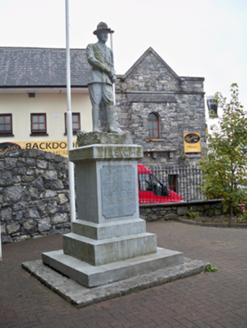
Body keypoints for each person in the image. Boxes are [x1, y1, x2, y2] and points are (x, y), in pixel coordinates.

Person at [86, 22, 120, 133]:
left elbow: (112, 65)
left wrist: (113, 75)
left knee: (109, 102)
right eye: (103, 33)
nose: (106, 35)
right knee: (96, 102)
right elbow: (92, 59)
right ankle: (95, 127)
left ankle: (110, 127)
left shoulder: (110, 51)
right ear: (98, 34)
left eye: (107, 33)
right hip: (95, 78)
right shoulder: (92, 47)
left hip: (107, 80)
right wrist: (106, 69)